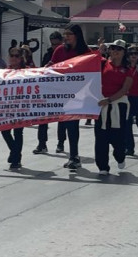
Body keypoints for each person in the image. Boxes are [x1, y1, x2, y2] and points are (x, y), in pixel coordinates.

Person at [50, 25, 90, 171]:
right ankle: (73, 155)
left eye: (69, 34)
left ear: (77, 35)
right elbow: (52, 67)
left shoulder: (86, 53)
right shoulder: (59, 50)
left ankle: (74, 156)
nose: (66, 36)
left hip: (78, 94)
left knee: (72, 125)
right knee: (67, 124)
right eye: (65, 34)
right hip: (61, 93)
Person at [95, 41, 133, 176]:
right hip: (102, 105)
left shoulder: (127, 70)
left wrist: (109, 100)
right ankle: (102, 166)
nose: (115, 51)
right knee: (101, 136)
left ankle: (120, 156)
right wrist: (99, 50)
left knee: (117, 136)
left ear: (124, 52)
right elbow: (89, 62)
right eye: (113, 48)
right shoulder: (103, 63)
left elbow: (125, 89)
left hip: (118, 105)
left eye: (119, 49)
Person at [34, 31, 66, 154]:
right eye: (52, 44)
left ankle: (61, 143)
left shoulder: (65, 54)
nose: (54, 47)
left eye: (56, 44)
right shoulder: (48, 55)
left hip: (62, 89)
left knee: (62, 118)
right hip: (48, 89)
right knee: (43, 118)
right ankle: (42, 143)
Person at [1, 46, 28, 170]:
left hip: (21, 106)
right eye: (11, 55)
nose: (13, 58)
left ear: (21, 58)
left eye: (16, 56)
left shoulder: (27, 71)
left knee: (18, 132)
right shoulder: (5, 71)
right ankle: (15, 151)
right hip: (7, 107)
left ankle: (16, 159)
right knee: (5, 131)